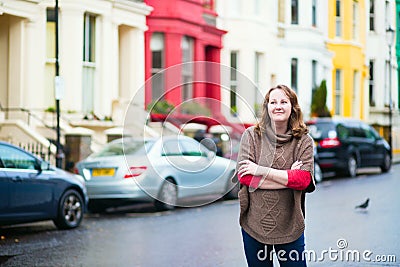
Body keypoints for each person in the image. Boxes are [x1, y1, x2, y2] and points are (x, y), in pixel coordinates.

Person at [236, 85, 315, 267]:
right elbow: (246, 178)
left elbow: (303, 180)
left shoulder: (303, 140)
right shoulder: (251, 136)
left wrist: (261, 170)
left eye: (283, 102)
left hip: (290, 225)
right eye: (273, 102)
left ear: (293, 107)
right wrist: (288, 178)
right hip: (254, 223)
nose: (278, 106)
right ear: (267, 107)